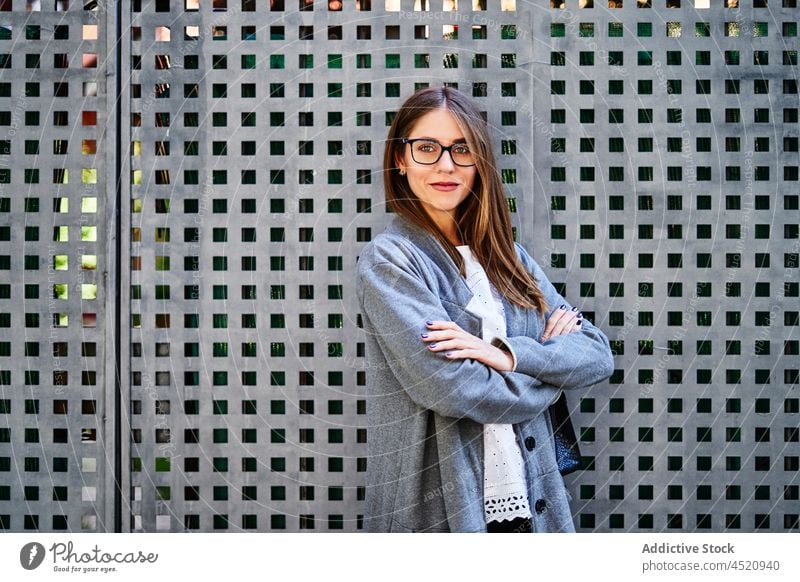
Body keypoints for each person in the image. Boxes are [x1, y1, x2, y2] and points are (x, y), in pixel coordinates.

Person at [356, 86, 614, 533]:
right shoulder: (391, 260)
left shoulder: (508, 256)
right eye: (426, 148)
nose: (445, 165)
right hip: (442, 515)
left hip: (533, 508)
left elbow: (595, 354)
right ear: (400, 159)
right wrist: (548, 379)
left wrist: (506, 354)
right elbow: (453, 388)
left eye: (462, 149)